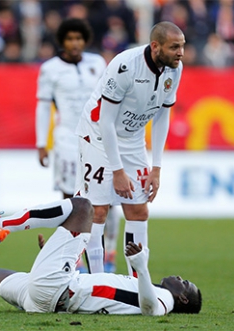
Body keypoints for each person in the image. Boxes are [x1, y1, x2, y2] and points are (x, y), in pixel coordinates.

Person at [0, 197, 202, 315]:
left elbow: (151, 311)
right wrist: (55, 255)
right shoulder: (148, 290)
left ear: (183, 300)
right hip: (50, 296)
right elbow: (100, 288)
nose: (181, 280)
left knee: (82, 208)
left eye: (186, 284)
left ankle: (2, 223)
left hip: (56, 290)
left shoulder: (164, 299)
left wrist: (141, 268)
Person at [75, 21, 185, 275]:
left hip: (133, 138)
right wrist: (117, 170)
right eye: (175, 47)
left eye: (182, 46)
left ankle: (138, 281)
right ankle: (97, 281)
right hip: (97, 135)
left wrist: (156, 167)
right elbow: (105, 120)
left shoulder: (175, 69)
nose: (181, 53)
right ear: (155, 47)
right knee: (98, 209)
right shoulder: (125, 65)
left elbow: (162, 117)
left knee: (138, 208)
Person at [34, 17, 120, 272]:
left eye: (79, 38)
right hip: (66, 142)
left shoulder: (97, 63)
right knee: (71, 200)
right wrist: (41, 143)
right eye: (70, 38)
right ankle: (74, 257)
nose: (75, 43)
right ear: (62, 41)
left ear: (85, 40)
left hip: (96, 139)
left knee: (108, 200)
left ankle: (109, 255)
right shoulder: (50, 69)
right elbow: (43, 106)